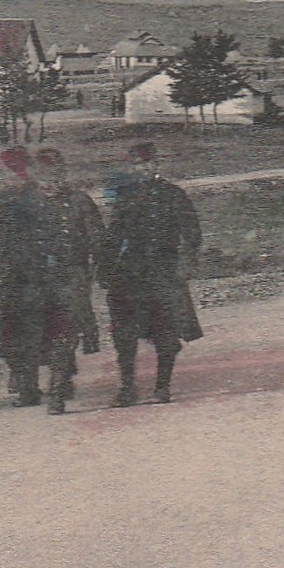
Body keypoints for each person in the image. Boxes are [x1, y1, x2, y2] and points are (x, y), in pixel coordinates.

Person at [105, 142, 202, 407]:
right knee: (123, 333)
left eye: (148, 163)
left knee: (165, 332)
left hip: (163, 267)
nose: (144, 168)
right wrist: (106, 269)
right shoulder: (125, 197)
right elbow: (113, 237)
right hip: (130, 271)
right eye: (137, 164)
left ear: (157, 164)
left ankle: (162, 386)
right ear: (131, 167)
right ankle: (127, 387)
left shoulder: (173, 195)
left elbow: (192, 235)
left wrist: (184, 267)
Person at [0, 148, 80, 413]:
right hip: (19, 281)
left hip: (56, 279)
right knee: (19, 332)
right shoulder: (8, 206)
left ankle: (58, 387)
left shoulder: (73, 203)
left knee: (59, 331)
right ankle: (28, 387)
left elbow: (86, 238)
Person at [37, 148, 108, 361]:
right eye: (45, 176)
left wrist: (99, 265)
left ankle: (83, 341)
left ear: (63, 174)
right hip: (40, 272)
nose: (51, 182)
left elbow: (97, 237)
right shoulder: (29, 204)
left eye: (56, 175)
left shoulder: (79, 201)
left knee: (74, 310)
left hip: (73, 267)